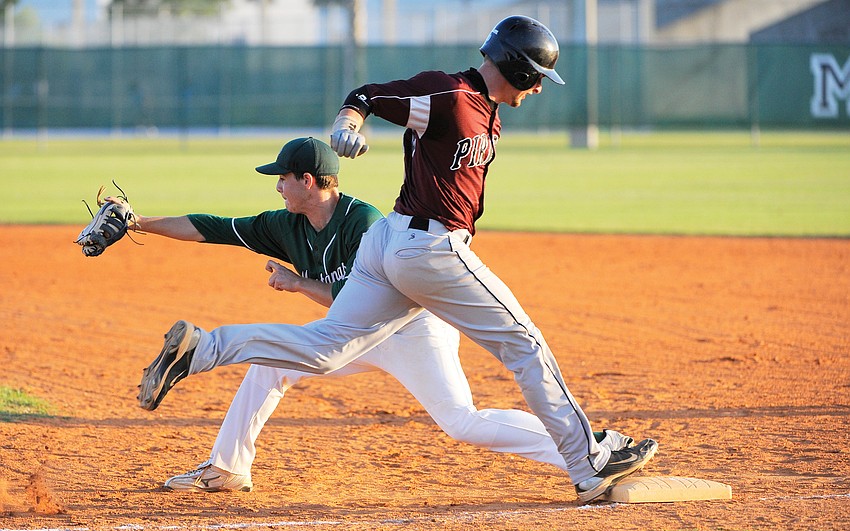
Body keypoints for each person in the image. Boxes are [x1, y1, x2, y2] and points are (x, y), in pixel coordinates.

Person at [138, 16, 658, 502]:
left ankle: (205, 349)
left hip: (390, 243)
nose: (539, 87)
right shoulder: (451, 95)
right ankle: (589, 462)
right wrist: (349, 123)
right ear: (518, 68)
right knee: (524, 345)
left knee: (326, 348)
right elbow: (365, 95)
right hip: (428, 248)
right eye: (537, 76)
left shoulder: (486, 111)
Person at [129, 136, 635, 492]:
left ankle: (586, 450)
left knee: (461, 421)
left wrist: (298, 283)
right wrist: (139, 222)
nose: (277, 186)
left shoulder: (365, 224)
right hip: (352, 332)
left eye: (283, 178)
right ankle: (228, 468)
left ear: (310, 180)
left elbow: (363, 302)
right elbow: (209, 227)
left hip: (411, 331)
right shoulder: (286, 224)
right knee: (272, 365)